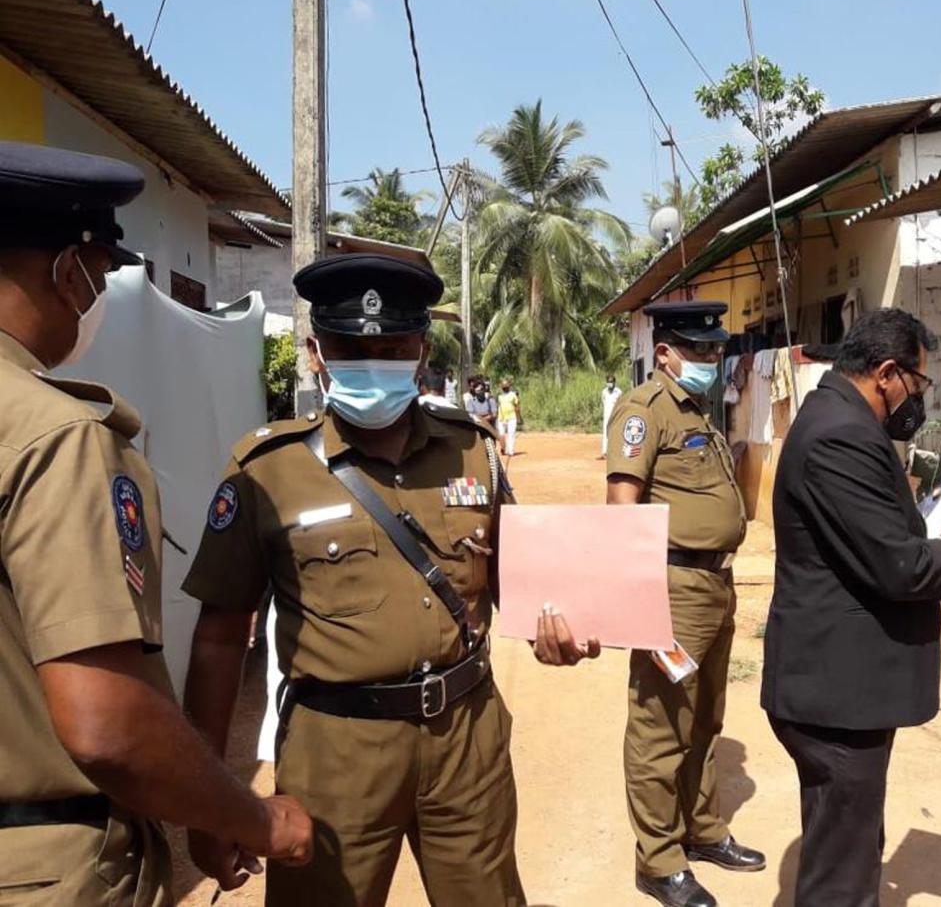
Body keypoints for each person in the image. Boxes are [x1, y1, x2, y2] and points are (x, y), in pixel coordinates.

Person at [180, 253, 598, 907]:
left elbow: (522, 579)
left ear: (422, 351)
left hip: (467, 737)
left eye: (393, 346)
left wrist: (565, 625)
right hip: (336, 751)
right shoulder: (267, 469)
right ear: (319, 353)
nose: (372, 360)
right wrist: (209, 802)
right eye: (351, 347)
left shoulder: (474, 448)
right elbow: (218, 638)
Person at [0, 141, 312, 906]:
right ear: (70, 270)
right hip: (38, 863)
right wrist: (254, 817)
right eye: (101, 275)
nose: (96, 296)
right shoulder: (55, 437)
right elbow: (108, 724)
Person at [761, 308, 941, 907]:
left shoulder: (840, 420)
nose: (919, 399)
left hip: (838, 688)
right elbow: (898, 565)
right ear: (888, 373)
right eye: (919, 383)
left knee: (848, 846)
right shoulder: (842, 434)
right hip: (836, 694)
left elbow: (879, 542)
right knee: (841, 877)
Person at [607, 302, 763, 907]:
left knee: (705, 719)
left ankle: (702, 831)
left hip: (716, 584)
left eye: (715, 349)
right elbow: (622, 511)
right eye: (697, 350)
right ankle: (659, 859)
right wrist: (638, 603)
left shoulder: (698, 407)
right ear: (665, 351)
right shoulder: (644, 411)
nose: (710, 359)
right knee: (660, 727)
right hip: (671, 586)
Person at [496, 379, 522, 456]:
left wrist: (519, 417)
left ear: (509, 387)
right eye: (503, 386)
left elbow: (517, 406)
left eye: (506, 386)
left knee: (511, 433)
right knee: (501, 434)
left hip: (511, 417)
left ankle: (510, 450)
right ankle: (503, 448)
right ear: (501, 387)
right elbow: (496, 406)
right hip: (501, 418)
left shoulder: (513, 395)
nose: (505, 388)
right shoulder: (498, 396)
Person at [600, 374, 623, 459]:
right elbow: (603, 401)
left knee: (615, 433)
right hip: (606, 415)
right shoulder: (604, 392)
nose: (610, 383)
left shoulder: (619, 392)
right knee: (606, 433)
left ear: (614, 382)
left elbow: (621, 402)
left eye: (611, 382)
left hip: (615, 415)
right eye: (608, 382)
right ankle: (605, 452)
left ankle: (615, 452)